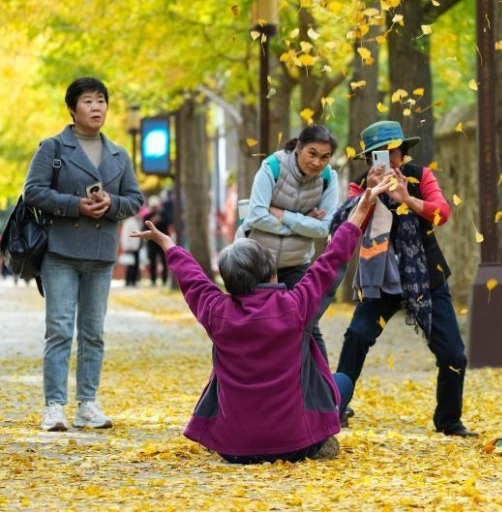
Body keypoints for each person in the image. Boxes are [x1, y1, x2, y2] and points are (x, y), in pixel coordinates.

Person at [130, 177, 392, 464]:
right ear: (271, 273)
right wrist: (362, 208)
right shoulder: (295, 307)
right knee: (341, 380)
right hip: (295, 444)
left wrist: (167, 244)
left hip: (232, 448)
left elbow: (192, 279)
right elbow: (331, 260)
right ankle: (321, 441)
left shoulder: (217, 311)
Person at [334, 120, 477, 437]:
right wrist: (369, 197)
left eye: (394, 151)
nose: (390, 159)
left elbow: (442, 213)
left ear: (403, 151)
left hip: (425, 276)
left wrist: (407, 198)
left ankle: (449, 421)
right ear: (371, 160)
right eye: (381, 154)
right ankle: (335, 407)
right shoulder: (360, 185)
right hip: (380, 278)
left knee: (454, 355)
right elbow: (345, 226)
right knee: (357, 336)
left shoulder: (420, 175)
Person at [23, 77, 143, 431]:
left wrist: (112, 204)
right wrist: (75, 206)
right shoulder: (53, 148)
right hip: (60, 251)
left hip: (101, 253)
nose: (97, 107)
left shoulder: (119, 154)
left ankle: (87, 404)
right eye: (88, 101)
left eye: (102, 101)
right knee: (59, 330)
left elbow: (135, 199)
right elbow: (33, 192)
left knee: (94, 332)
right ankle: (54, 406)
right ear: (73, 109)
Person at [243, 125, 339, 360]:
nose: (317, 162)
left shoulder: (328, 178)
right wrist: (305, 223)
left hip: (297, 263)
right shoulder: (273, 166)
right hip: (257, 262)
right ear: (298, 148)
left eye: (325, 157)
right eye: (312, 153)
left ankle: (326, 392)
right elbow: (255, 215)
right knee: (250, 327)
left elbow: (326, 227)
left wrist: (283, 215)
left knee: (308, 326)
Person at [142, 194, 171, 286]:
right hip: (152, 242)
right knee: (152, 260)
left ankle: (164, 279)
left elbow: (168, 224)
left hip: (162, 241)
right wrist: (153, 222)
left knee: (164, 260)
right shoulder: (147, 216)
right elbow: (144, 228)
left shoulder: (163, 214)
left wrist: (160, 221)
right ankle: (153, 280)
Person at [120, 214, 143, 287]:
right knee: (130, 266)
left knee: (135, 265)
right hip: (130, 247)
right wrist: (126, 247)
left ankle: (133, 281)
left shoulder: (137, 222)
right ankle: (129, 281)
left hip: (135, 247)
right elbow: (125, 235)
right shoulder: (129, 222)